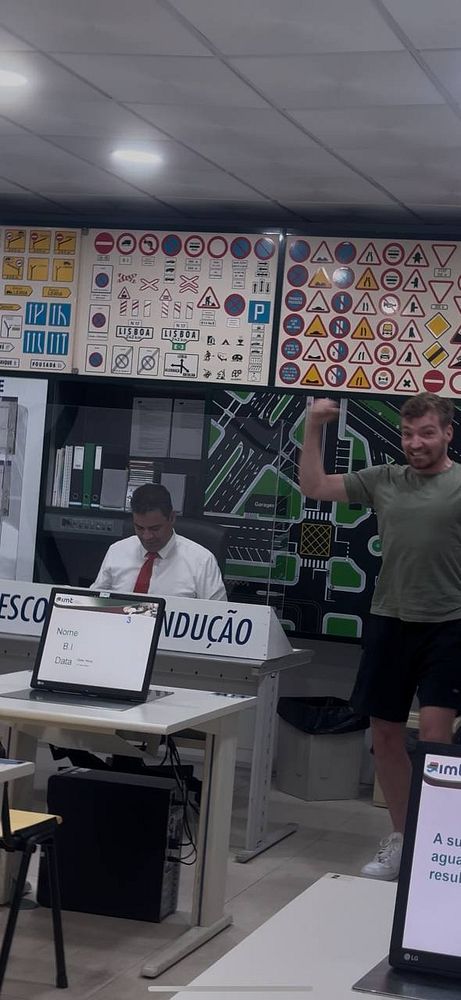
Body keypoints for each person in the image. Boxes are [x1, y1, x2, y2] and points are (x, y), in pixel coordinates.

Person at [299, 392, 461, 881]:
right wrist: (314, 425)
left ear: (447, 433)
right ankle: (404, 837)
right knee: (386, 735)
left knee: (434, 738)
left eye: (426, 433)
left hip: (449, 625)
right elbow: (314, 485)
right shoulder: (385, 479)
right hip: (390, 620)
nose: (416, 443)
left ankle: (436, 845)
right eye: (408, 434)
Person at [92, 483, 227, 601]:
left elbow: (218, 614)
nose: (147, 536)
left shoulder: (202, 561)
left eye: (155, 529)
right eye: (139, 528)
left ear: (172, 518)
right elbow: (93, 602)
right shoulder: (117, 551)